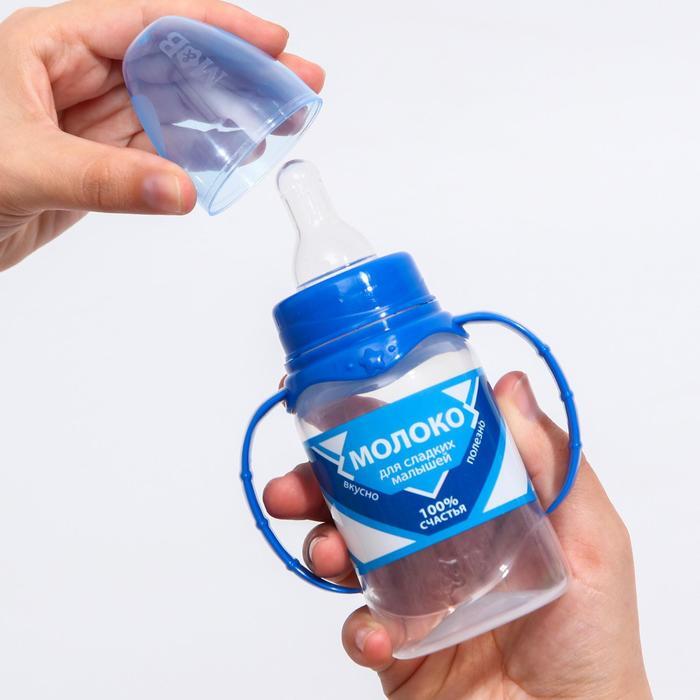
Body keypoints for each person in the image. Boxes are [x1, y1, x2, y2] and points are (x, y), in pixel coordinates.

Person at [0, 2, 651, 698]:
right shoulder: (352, 388)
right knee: (357, 538)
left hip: (541, 612)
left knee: (360, 527)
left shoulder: (393, 373)